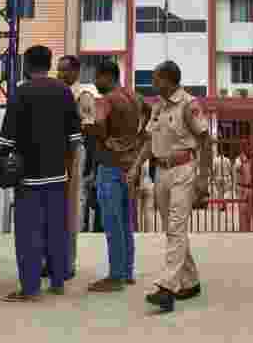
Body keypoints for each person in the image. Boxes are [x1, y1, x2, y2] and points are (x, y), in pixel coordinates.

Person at [127, 60, 211, 312]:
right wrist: (135, 166)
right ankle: (191, 280)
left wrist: (203, 178)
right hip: (161, 172)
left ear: (168, 80)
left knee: (176, 227)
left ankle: (167, 288)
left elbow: (206, 141)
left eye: (155, 78)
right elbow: (149, 141)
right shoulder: (158, 107)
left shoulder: (189, 104)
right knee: (172, 229)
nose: (152, 83)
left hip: (183, 170)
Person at [0, 45, 79, 302]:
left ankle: (31, 288)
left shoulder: (21, 92)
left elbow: (7, 141)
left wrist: (2, 161)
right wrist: (65, 167)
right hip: (58, 176)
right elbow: (75, 139)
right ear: (48, 64)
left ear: (27, 64)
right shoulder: (64, 91)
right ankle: (57, 282)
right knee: (57, 230)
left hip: (28, 177)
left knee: (28, 233)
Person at [85, 59, 142, 294]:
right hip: (129, 166)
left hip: (110, 164)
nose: (96, 83)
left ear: (107, 76)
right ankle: (127, 272)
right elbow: (145, 118)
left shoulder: (107, 100)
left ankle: (115, 276)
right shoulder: (133, 97)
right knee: (126, 222)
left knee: (112, 222)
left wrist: (90, 131)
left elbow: (97, 123)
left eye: (97, 78)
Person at [56, 55, 96, 280]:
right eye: (58, 70)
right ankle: (51, 259)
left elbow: (89, 130)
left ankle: (68, 263)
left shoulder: (83, 95)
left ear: (76, 72)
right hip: (55, 153)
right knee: (54, 208)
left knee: (70, 208)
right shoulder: (55, 92)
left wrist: (88, 164)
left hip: (74, 152)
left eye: (65, 71)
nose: (60, 75)